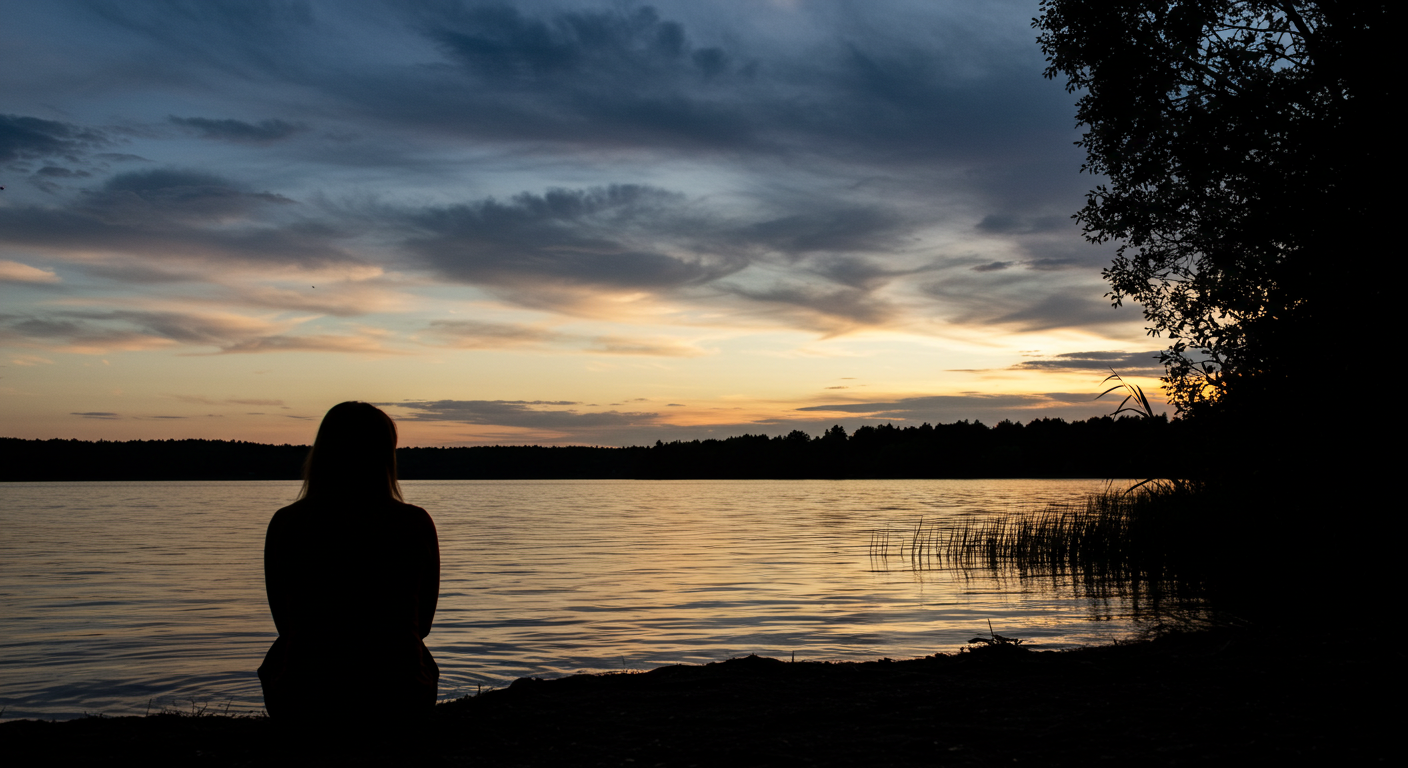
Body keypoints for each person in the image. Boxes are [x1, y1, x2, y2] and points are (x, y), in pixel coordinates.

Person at [258, 401, 439, 724]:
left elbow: (285, 623)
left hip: (303, 704)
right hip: (401, 700)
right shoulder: (415, 523)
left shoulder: (287, 523)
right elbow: (422, 624)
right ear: (385, 456)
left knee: (283, 651)